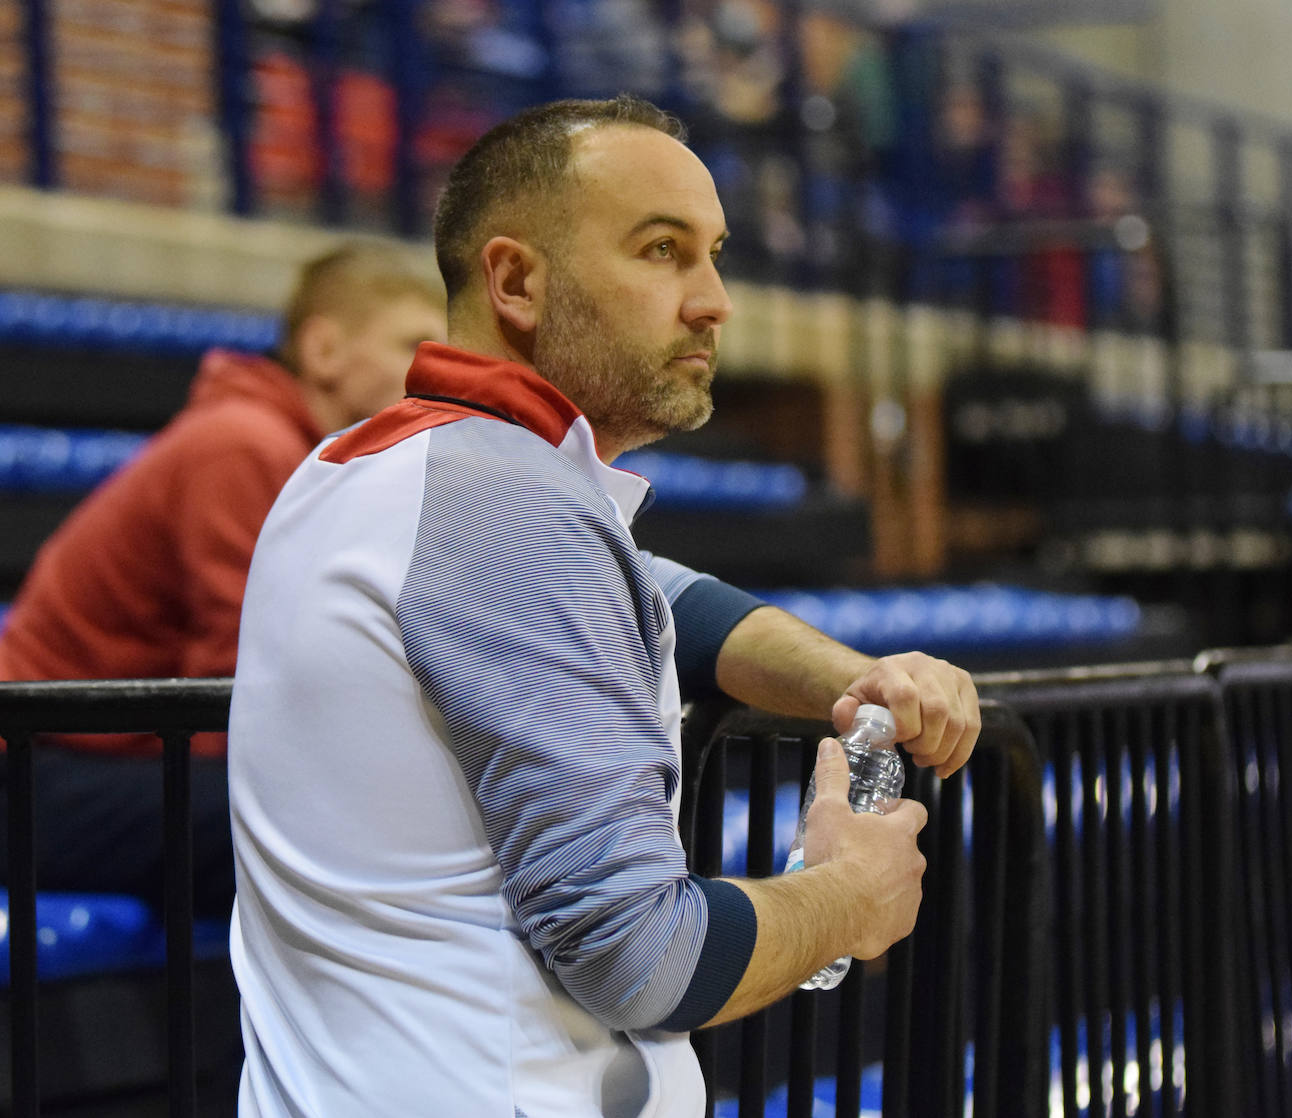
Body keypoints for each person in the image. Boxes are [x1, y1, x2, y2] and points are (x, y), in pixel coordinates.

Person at [228, 95, 981, 1117]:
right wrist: (850, 897)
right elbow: (639, 958)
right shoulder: (507, 505)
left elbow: (664, 599)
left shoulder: (369, 469)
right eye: (662, 252)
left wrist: (856, 680)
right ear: (516, 280)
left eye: (714, 254)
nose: (713, 300)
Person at [0, 242, 448, 916]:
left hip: (95, 763)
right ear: (324, 350)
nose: (436, 372)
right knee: (332, 825)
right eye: (412, 343)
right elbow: (245, 691)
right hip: (36, 771)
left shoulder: (301, 458)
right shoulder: (244, 445)